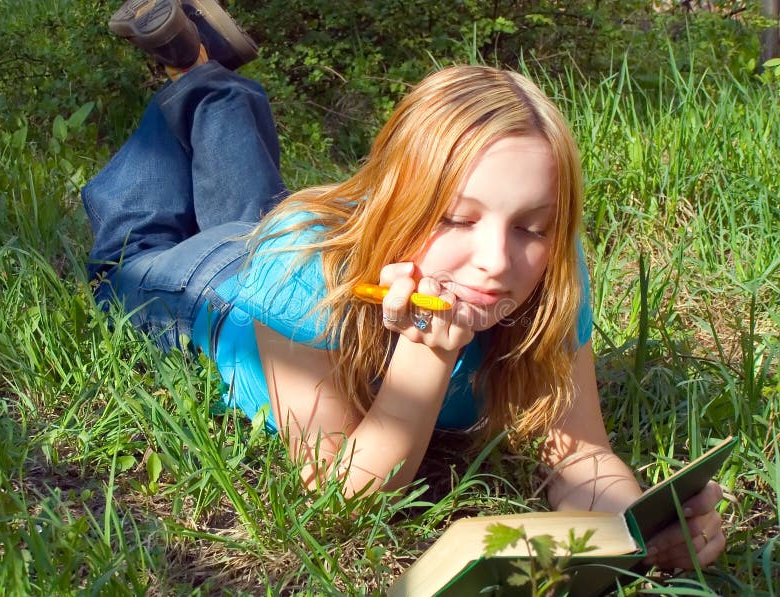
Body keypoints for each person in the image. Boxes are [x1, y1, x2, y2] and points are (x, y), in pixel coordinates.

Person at [84, 0, 726, 571]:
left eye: (533, 227)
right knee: (131, 253)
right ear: (400, 204)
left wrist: (632, 530)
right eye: (457, 218)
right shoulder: (297, 272)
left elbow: (580, 449)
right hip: (214, 288)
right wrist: (427, 355)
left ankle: (202, 70)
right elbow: (341, 493)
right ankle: (195, 78)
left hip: (289, 236)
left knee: (243, 203)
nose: (498, 261)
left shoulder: (553, 270)